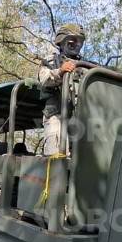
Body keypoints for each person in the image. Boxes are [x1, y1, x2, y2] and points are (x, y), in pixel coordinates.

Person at [38, 23, 86, 155]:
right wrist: (60, 71)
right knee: (57, 153)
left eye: (79, 43)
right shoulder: (51, 61)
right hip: (56, 115)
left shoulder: (85, 66)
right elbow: (44, 80)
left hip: (79, 116)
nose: (76, 45)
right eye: (71, 42)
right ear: (61, 42)